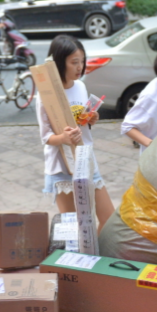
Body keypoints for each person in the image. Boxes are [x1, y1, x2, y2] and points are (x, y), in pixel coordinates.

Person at [35, 35, 115, 232]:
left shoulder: (80, 86)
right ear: (59, 63)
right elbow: (46, 137)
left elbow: (80, 121)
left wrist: (91, 119)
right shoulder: (46, 95)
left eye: (82, 61)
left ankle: (95, 250)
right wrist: (63, 138)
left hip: (85, 159)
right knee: (75, 229)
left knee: (109, 220)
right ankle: (83, 252)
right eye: (74, 62)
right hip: (62, 166)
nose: (80, 67)